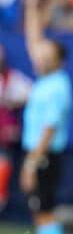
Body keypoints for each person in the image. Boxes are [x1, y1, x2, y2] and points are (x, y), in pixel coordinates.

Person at [19, 0, 72, 234]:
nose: (40, 55)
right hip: (41, 155)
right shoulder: (48, 80)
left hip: (45, 156)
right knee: (40, 213)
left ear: (59, 59)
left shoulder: (57, 88)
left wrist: (30, 163)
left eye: (47, 53)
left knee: (45, 213)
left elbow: (49, 129)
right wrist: (31, 7)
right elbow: (33, 40)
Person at [0, 43, 32, 211]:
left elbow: (32, 94)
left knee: (2, 165)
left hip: (4, 135)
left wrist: (11, 102)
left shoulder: (12, 78)